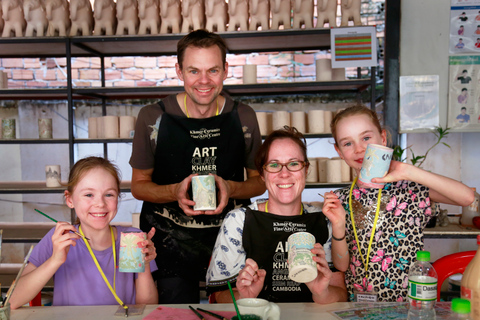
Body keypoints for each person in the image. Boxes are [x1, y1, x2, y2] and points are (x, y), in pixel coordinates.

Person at [129, 29, 266, 304]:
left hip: (229, 235)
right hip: (170, 238)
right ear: (179, 71)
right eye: (194, 71)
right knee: (175, 310)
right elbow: (138, 185)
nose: (204, 81)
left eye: (213, 70)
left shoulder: (243, 117)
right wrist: (174, 191)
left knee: (234, 311)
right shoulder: (152, 117)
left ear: (226, 70)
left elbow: (260, 181)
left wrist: (230, 187)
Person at [329, 105, 474, 302]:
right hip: (359, 309)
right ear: (339, 151)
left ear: (382, 138)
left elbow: (467, 197)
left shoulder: (410, 189)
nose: (359, 149)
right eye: (347, 143)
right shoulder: (341, 200)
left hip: (408, 307)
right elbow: (342, 266)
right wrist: (338, 225)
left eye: (366, 138)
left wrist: (408, 171)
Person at [206, 126, 349, 304]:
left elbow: (341, 295)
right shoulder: (239, 221)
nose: (284, 173)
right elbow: (220, 297)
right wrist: (245, 296)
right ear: (263, 175)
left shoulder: (323, 220)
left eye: (294, 163)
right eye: (274, 165)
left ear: (306, 170)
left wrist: (321, 292)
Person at [9, 156, 158, 309]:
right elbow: (11, 300)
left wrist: (144, 265)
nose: (100, 203)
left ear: (118, 198)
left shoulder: (131, 238)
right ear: (70, 199)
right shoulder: (60, 237)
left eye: (109, 194)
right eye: (88, 195)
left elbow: (148, 308)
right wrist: (55, 260)